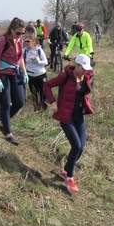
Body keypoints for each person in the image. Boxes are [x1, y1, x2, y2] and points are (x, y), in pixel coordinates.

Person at [43, 53, 94, 195]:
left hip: (79, 117)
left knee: (81, 147)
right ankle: (70, 178)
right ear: (76, 65)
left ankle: (65, 171)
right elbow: (47, 85)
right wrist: (53, 102)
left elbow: (85, 95)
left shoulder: (87, 78)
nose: (85, 71)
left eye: (86, 68)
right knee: (76, 146)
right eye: (82, 68)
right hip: (66, 117)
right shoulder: (65, 76)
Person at [0, 17, 28, 145]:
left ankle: (1, 122)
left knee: (20, 102)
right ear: (11, 30)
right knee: (6, 103)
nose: (20, 35)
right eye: (18, 33)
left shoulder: (20, 40)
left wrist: (25, 73)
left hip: (15, 72)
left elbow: (20, 57)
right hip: (2, 73)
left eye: (23, 33)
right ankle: (7, 133)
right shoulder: (3, 40)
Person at [23, 35, 48, 111]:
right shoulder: (24, 51)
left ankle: (43, 105)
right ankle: (36, 109)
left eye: (28, 41)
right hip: (30, 75)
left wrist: (38, 61)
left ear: (33, 42)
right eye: (25, 41)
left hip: (40, 74)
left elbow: (46, 62)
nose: (26, 43)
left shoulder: (39, 50)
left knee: (42, 92)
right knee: (33, 93)